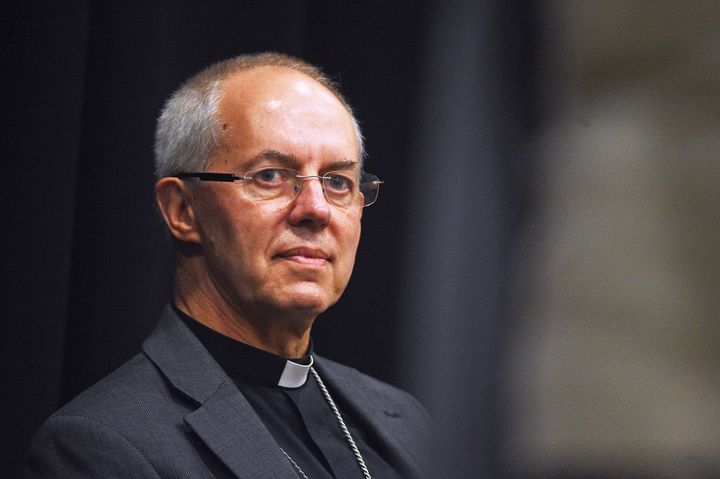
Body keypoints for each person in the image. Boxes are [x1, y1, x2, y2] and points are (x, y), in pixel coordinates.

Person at [25, 52, 430, 478]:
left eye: (337, 181)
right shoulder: (103, 446)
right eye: (270, 175)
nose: (317, 209)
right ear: (183, 210)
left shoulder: (405, 418)